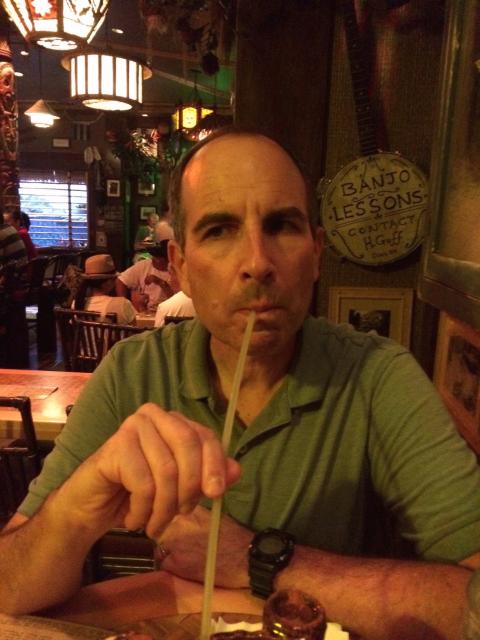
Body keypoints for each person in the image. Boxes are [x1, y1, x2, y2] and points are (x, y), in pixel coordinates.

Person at [1, 129, 479, 640]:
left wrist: (254, 558)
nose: (257, 263)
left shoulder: (379, 375)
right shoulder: (132, 372)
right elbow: (9, 590)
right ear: (181, 266)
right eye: (219, 230)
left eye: (282, 226)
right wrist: (78, 504)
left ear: (317, 254)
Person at [74, 254, 137, 325]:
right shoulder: (122, 304)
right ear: (108, 282)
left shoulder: (76, 304)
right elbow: (135, 328)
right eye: (114, 279)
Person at [116, 240, 174, 311]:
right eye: (153, 256)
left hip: (168, 311)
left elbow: (176, 298)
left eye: (158, 258)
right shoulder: (144, 265)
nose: (154, 260)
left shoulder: (176, 271)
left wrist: (159, 281)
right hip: (145, 311)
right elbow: (121, 281)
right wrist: (124, 305)